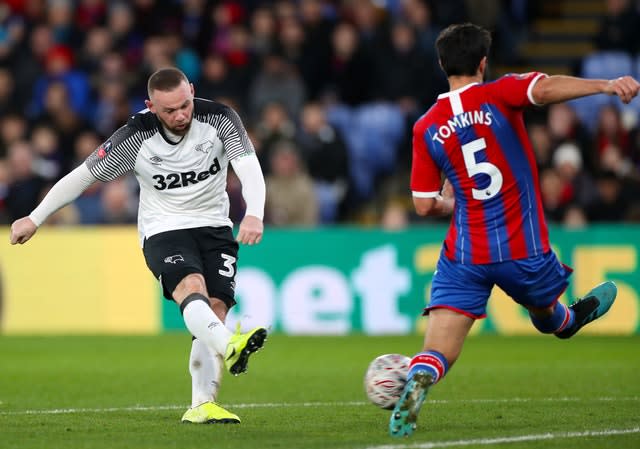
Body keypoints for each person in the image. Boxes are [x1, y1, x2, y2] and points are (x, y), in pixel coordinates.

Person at [389, 23, 640, 438]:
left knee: (436, 351)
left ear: (440, 64)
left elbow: (423, 204)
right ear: (483, 62)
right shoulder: (499, 93)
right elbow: (545, 89)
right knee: (546, 316)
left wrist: (455, 199)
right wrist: (606, 85)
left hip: (465, 255)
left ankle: (419, 381)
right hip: (523, 250)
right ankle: (569, 320)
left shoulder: (427, 126)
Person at [10, 67, 269, 425]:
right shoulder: (135, 135)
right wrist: (35, 218)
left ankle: (201, 404)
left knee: (215, 309)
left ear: (192, 92)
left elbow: (248, 166)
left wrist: (254, 214)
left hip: (214, 227)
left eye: (184, 105)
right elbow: (83, 176)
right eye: (169, 111)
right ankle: (229, 346)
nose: (180, 116)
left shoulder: (220, 118)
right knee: (190, 288)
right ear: (151, 106)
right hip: (164, 229)